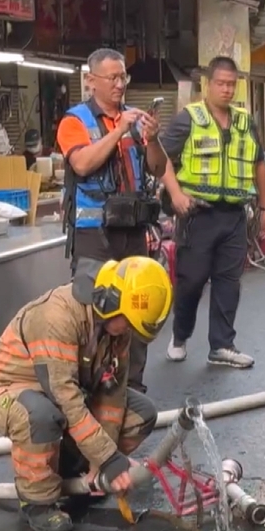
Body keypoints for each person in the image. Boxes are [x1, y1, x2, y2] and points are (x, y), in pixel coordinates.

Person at [0, 256, 173, 531]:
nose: (128, 331)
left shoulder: (118, 325)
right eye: (127, 323)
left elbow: (113, 398)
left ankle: (71, 476)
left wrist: (101, 463)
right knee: (41, 416)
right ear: (109, 301)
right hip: (5, 389)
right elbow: (65, 400)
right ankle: (37, 503)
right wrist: (109, 460)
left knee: (141, 414)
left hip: (62, 393)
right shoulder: (57, 316)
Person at [55, 48, 168, 393]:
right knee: (95, 313)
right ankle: (91, 388)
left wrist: (153, 138)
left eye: (124, 77)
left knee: (137, 305)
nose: (120, 85)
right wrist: (118, 131)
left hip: (132, 232)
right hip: (94, 236)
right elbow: (83, 164)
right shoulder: (75, 122)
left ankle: (131, 387)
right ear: (91, 82)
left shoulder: (133, 121)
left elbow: (158, 168)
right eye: (113, 78)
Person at [158, 56, 265, 369]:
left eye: (231, 84)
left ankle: (222, 345)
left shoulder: (246, 122)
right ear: (208, 85)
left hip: (234, 214)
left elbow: (259, 164)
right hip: (198, 214)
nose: (226, 89)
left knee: (228, 281)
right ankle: (180, 336)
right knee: (191, 281)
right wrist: (176, 194)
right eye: (220, 83)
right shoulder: (188, 118)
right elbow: (160, 158)